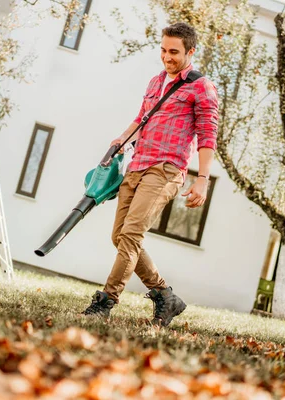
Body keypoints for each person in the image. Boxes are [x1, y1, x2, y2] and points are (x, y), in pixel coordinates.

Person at [81, 22, 218, 327]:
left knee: (131, 236)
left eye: (174, 52)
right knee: (119, 236)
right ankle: (165, 296)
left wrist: (202, 179)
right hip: (137, 164)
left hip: (166, 169)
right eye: (163, 50)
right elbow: (141, 118)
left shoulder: (201, 86)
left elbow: (208, 135)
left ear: (190, 51)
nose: (166, 57)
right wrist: (121, 140)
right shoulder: (156, 81)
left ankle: (106, 302)